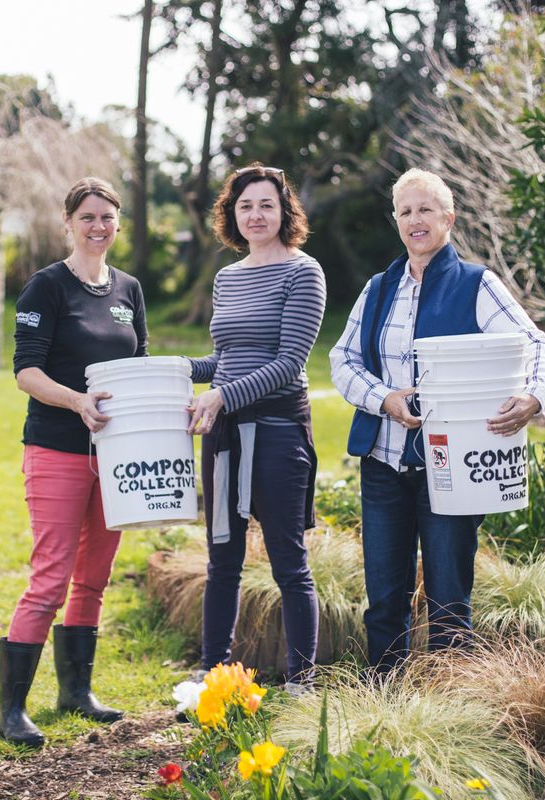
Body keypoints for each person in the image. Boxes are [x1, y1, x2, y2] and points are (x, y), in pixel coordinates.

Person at [329, 168, 545, 672]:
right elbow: (342, 361)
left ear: (448, 218)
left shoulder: (477, 284)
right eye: (406, 211)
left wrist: (534, 397)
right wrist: (384, 398)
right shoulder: (378, 289)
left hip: (450, 470)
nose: (415, 220)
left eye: (426, 209)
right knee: (385, 601)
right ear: (396, 221)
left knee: (450, 603)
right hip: (384, 466)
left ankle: (451, 715)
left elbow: (535, 344)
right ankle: (383, 710)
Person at [0, 177, 148, 747]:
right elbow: (26, 373)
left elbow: (140, 362)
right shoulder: (46, 288)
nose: (98, 226)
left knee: (95, 578)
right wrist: (77, 400)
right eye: (87, 217)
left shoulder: (128, 289)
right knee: (51, 578)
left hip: (115, 455)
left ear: (118, 223)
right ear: (68, 223)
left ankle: (75, 692)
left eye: (108, 217)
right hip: (57, 449)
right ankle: (11, 711)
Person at [186, 163, 326, 689]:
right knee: (222, 559)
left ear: (284, 211)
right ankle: (213, 678)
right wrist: (179, 370)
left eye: (266, 204)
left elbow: (289, 362)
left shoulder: (303, 271)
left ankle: (301, 683)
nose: (256, 214)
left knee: (289, 561)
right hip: (224, 434)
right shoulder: (228, 276)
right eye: (245, 205)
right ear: (232, 214)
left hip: (277, 431)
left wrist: (221, 395)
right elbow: (226, 357)